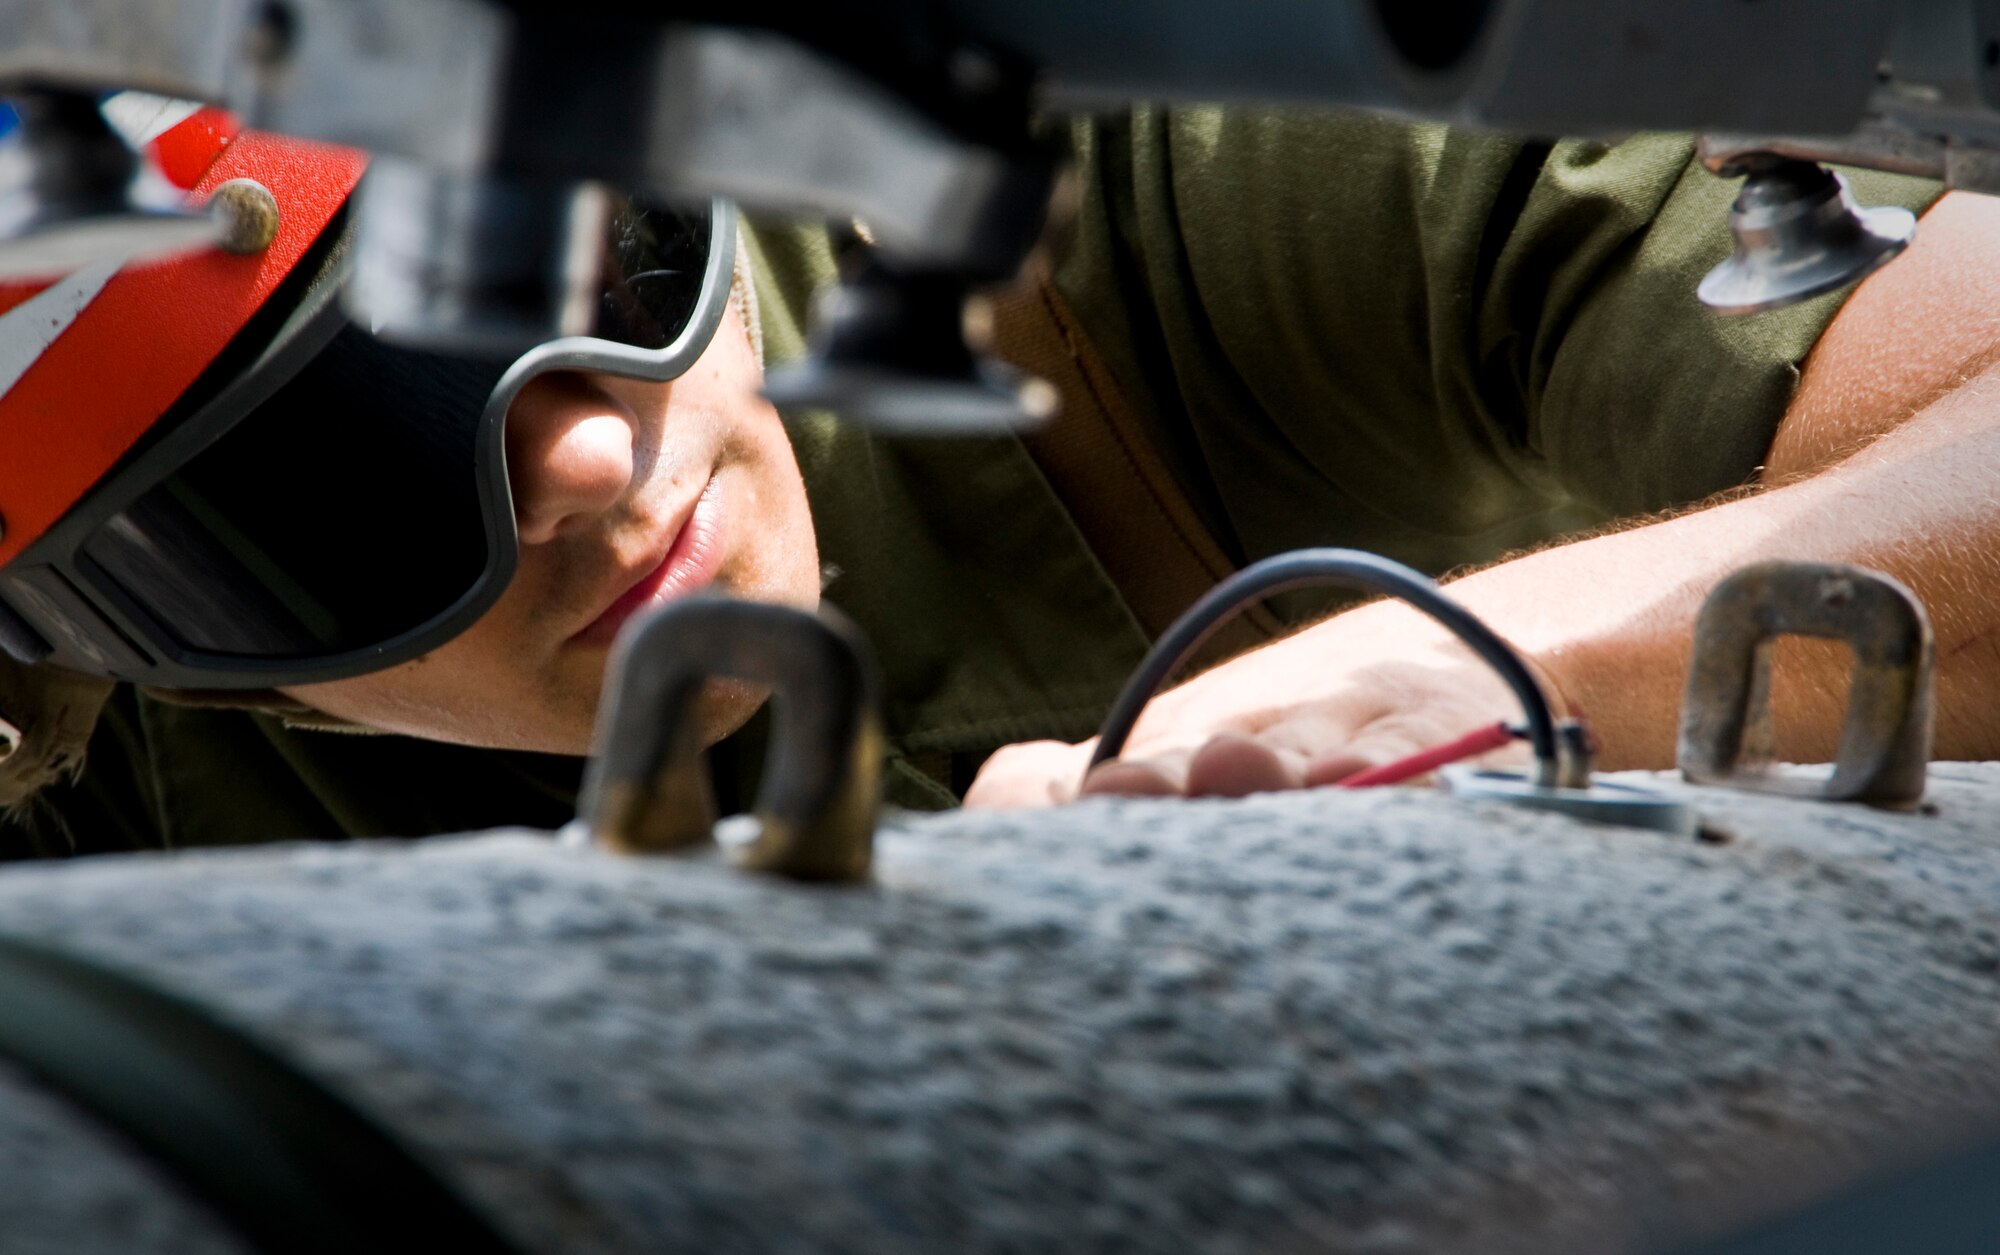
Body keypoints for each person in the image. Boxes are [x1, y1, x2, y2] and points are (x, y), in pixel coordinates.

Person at [0, 97, 1993, 856]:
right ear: (131, 666)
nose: (594, 459)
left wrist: (1490, 670)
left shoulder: (1147, 169)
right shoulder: (116, 828)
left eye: (545, 262)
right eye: (330, 489)